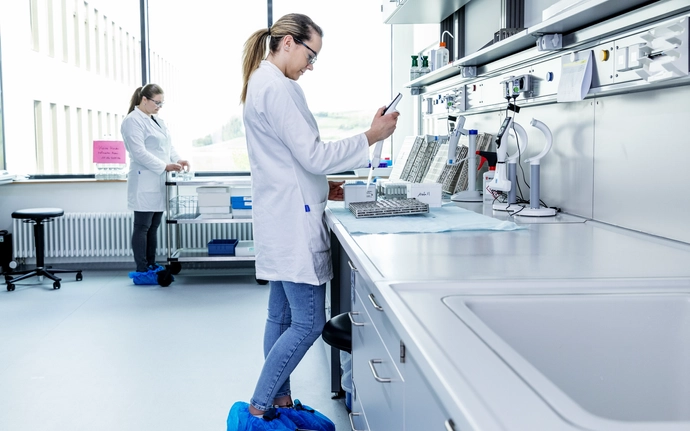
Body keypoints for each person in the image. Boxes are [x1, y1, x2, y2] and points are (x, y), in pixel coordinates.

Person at [227, 13, 399, 431]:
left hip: (282, 214)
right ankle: (259, 410)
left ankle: (279, 401)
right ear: (287, 42)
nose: (310, 65)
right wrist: (371, 136)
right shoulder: (278, 88)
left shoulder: (263, 82)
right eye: (310, 54)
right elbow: (313, 155)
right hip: (292, 221)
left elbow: (295, 160)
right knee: (306, 323)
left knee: (280, 319)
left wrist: (327, 184)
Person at [121, 84, 190, 277]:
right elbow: (138, 152)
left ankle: (151, 264)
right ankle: (141, 268)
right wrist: (164, 166)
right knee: (142, 226)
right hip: (144, 180)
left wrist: (177, 159)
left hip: (159, 182)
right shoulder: (132, 121)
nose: (159, 106)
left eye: (162, 103)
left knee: (154, 226)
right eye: (156, 102)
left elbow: (167, 145)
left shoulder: (156, 120)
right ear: (144, 100)